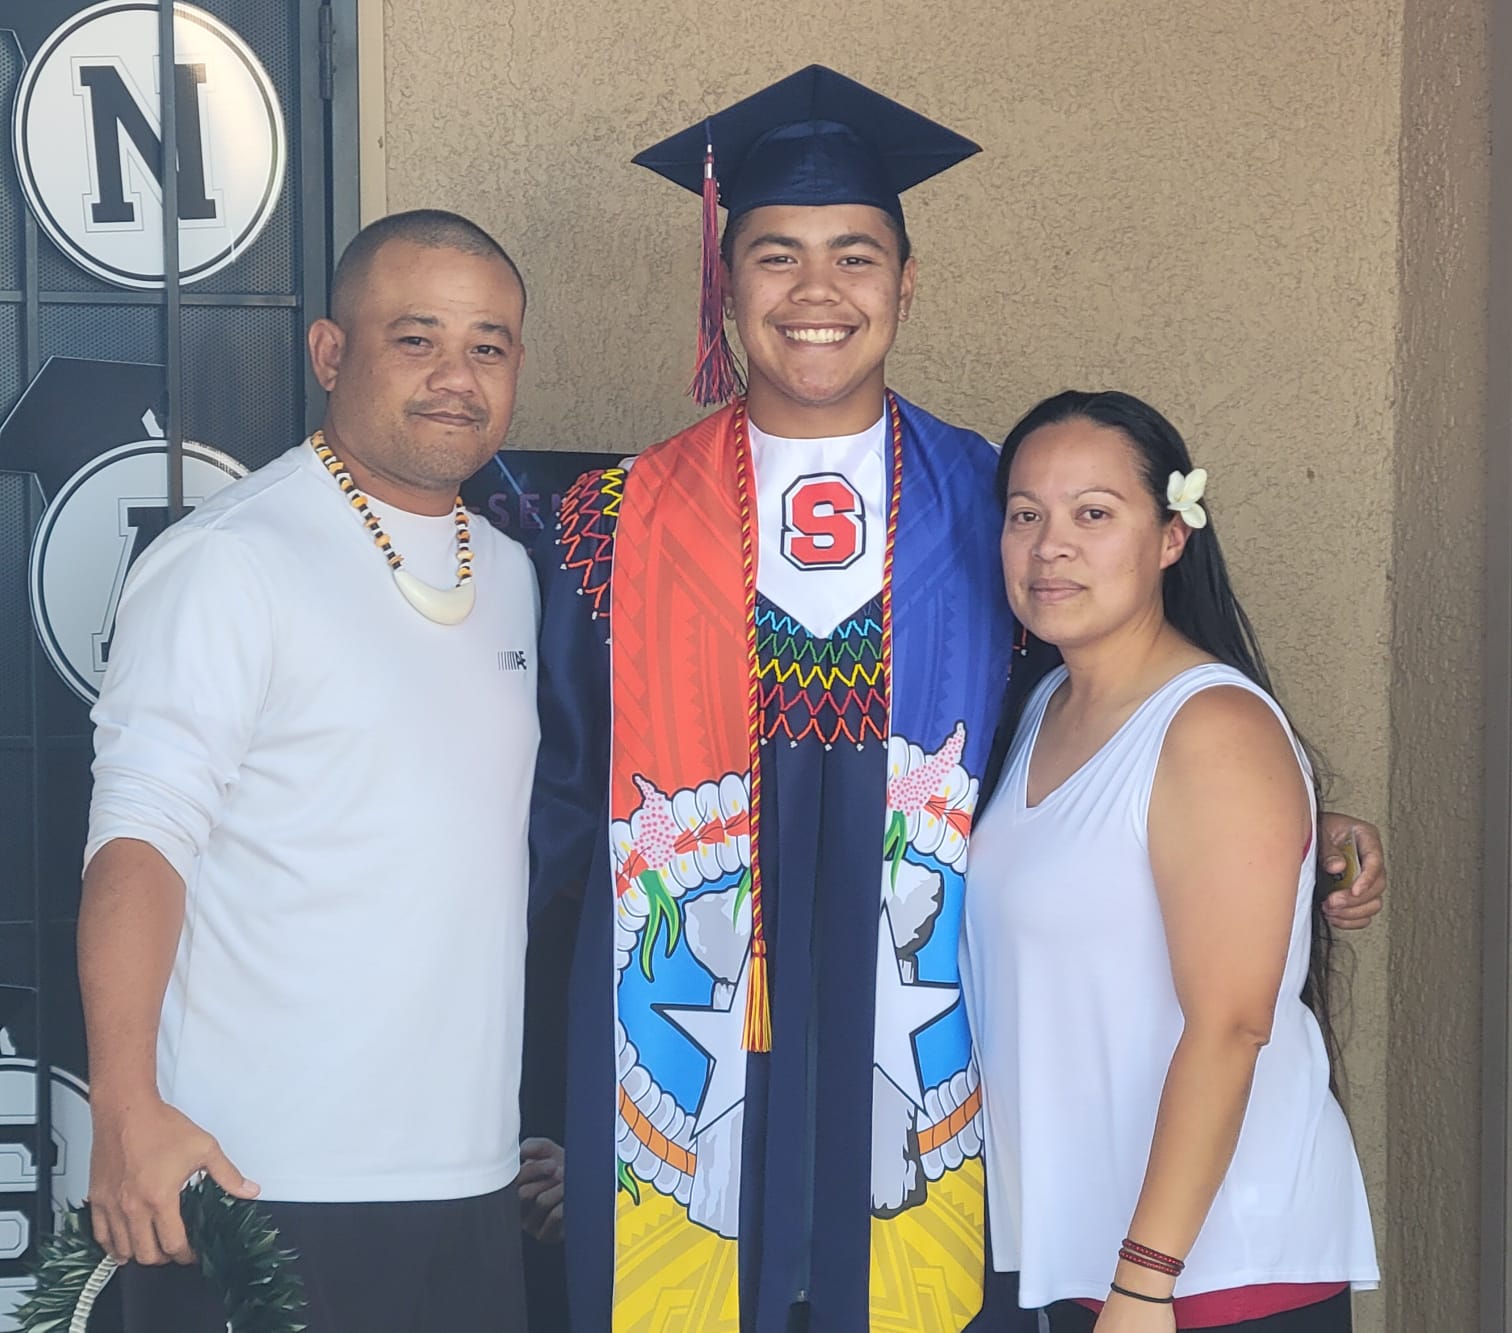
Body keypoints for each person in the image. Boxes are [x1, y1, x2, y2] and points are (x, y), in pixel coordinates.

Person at [527, 69, 1384, 1333]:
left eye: (856, 255)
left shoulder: (990, 507)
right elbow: (555, 817)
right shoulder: (609, 529)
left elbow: (1139, 724)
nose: (817, 294)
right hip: (689, 1102)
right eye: (775, 256)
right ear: (726, 283)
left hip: (947, 1138)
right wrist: (541, 1105)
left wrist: (1308, 834)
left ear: (907, 283)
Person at [79, 209, 538, 1332]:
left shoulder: (519, 575)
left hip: (469, 1188)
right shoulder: (232, 561)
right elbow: (138, 836)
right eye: (416, 338)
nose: (456, 377)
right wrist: (126, 1110)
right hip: (256, 1185)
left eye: (489, 345)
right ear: (331, 352)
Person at [961, 390, 1379, 1332]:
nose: (1049, 545)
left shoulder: (1212, 728)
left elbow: (1231, 1022)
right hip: (1081, 1259)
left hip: (1206, 1271)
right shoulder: (1042, 712)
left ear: (1171, 537)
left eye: (1094, 514)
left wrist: (1148, 1280)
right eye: (1026, 514)